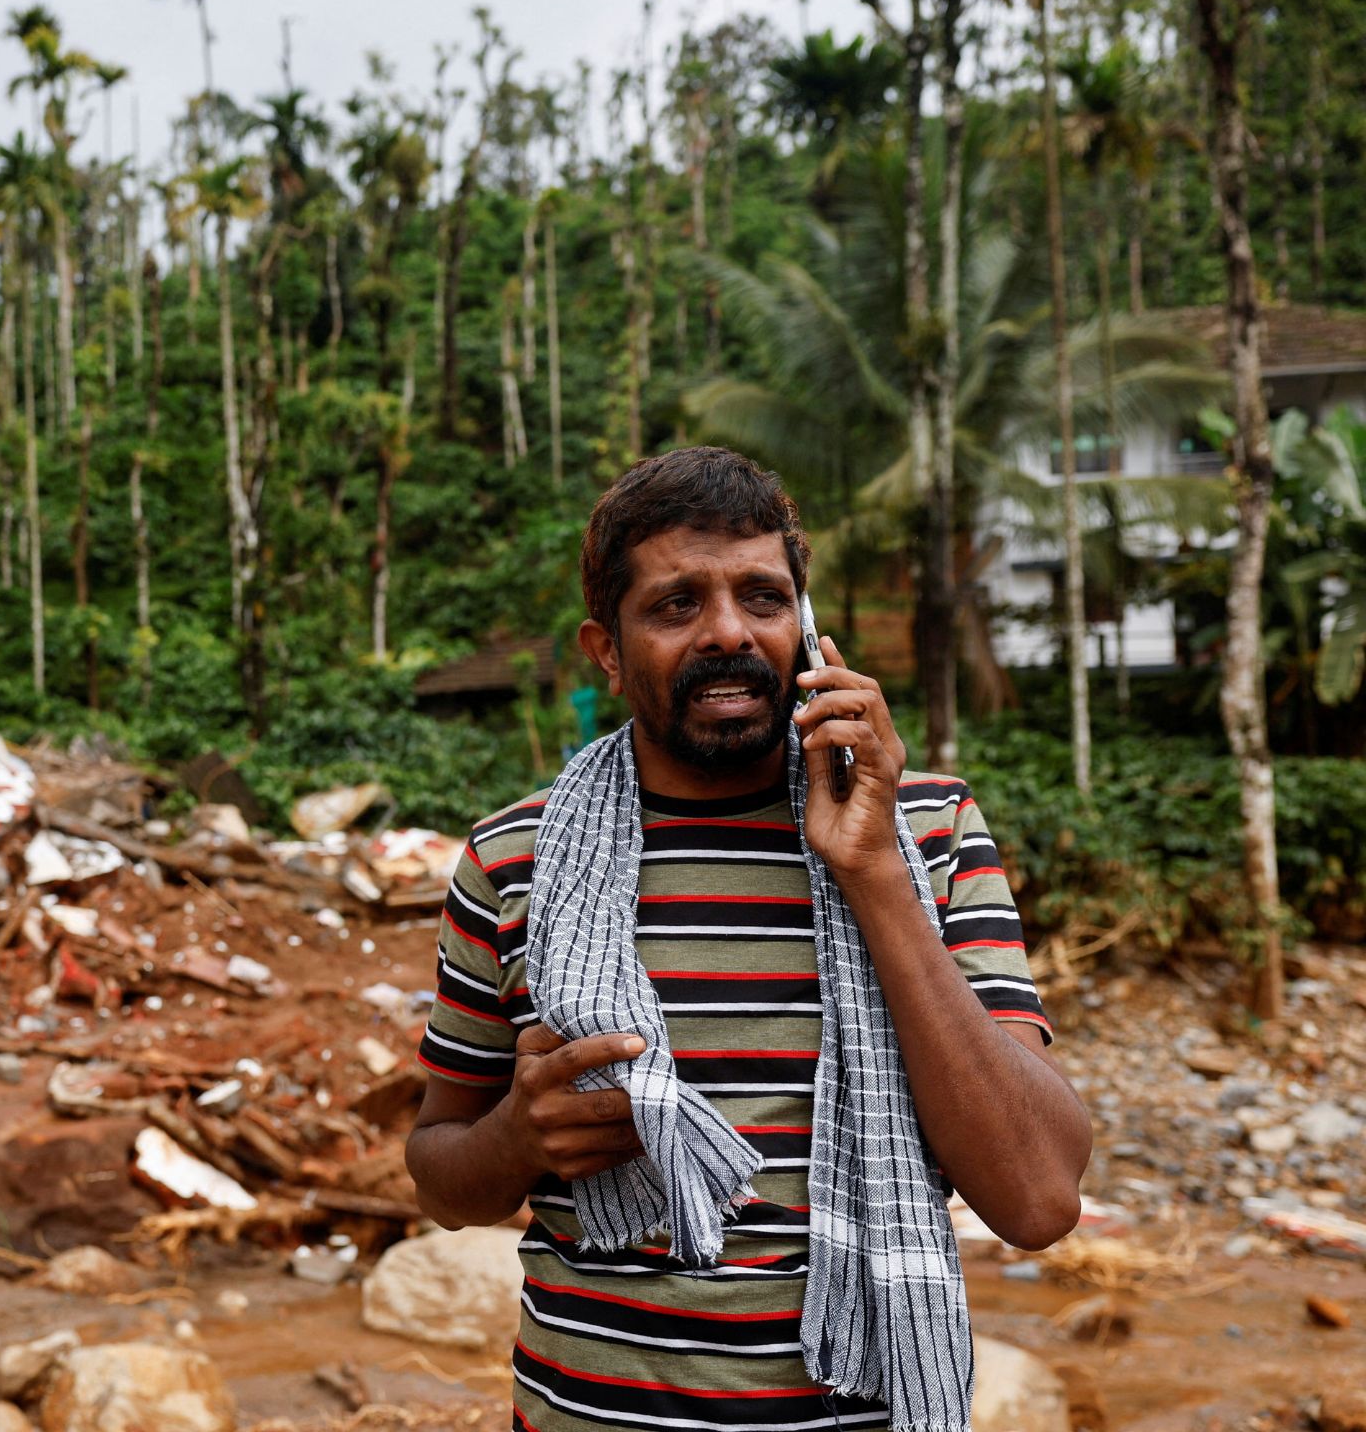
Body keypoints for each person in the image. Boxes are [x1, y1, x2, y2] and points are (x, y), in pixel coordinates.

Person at [405, 447, 1089, 1432]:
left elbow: (1037, 1201)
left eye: (763, 598)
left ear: (806, 628)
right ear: (606, 648)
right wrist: (515, 1138)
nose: (729, 631)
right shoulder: (515, 858)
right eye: (677, 605)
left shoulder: (929, 832)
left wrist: (875, 874)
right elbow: (438, 1173)